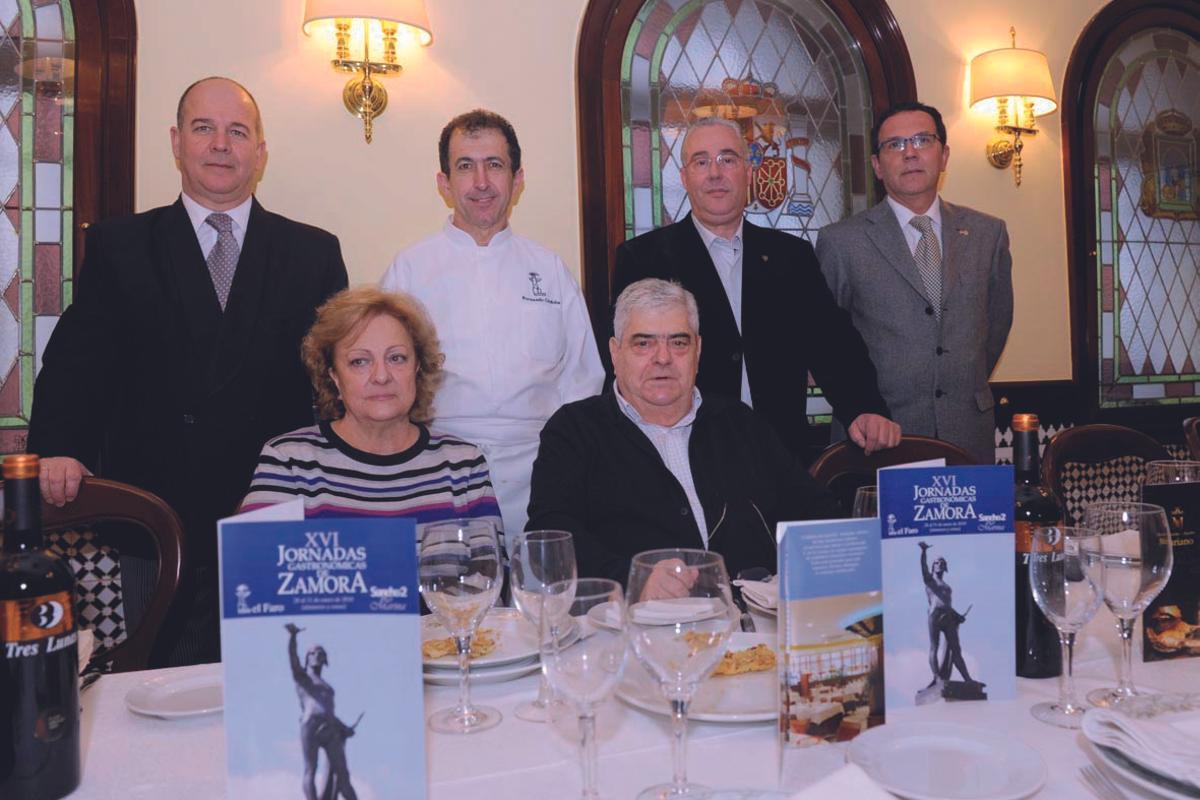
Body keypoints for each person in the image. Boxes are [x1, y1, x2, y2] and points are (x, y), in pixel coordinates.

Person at [28, 76, 348, 664]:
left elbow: (335, 382)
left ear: (261, 151)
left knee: (270, 681)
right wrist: (58, 447)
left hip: (272, 508)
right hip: (155, 513)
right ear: (177, 142)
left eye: (237, 131)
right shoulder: (119, 245)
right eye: (204, 128)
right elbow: (79, 359)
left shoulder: (313, 253)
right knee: (161, 688)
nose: (220, 144)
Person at [612, 117, 900, 460]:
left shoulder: (792, 257)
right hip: (684, 456)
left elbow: (832, 343)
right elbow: (628, 366)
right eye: (701, 162)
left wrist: (864, 407)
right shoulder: (643, 259)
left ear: (749, 172)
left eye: (728, 159)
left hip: (779, 455)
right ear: (684, 176)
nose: (715, 173)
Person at [526, 279, 842, 584]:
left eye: (678, 342)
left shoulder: (741, 424)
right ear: (615, 352)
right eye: (643, 343)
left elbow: (815, 513)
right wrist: (632, 579)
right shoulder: (574, 431)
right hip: (631, 626)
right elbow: (549, 540)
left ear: (698, 350)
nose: (663, 358)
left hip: (751, 626)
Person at [381, 109, 603, 536]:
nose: (481, 182)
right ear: (444, 183)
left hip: (540, 471)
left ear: (517, 179)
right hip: (436, 470)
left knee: (535, 595)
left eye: (494, 165)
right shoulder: (408, 271)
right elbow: (387, 381)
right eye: (466, 166)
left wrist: (565, 461)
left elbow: (582, 379)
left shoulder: (549, 269)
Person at [817, 102, 1013, 464]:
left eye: (923, 140)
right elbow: (829, 341)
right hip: (880, 436)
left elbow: (996, 324)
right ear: (877, 165)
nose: (910, 152)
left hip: (968, 433)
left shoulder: (988, 233)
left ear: (944, 156)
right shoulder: (841, 242)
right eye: (895, 145)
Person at [241, 287, 503, 540]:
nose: (381, 376)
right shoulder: (288, 462)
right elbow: (256, 576)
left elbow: (489, 577)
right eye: (360, 361)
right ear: (334, 377)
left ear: (418, 368)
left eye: (397, 358)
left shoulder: (464, 465)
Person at [285, 624, 359, 800]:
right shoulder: (302, 678)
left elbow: (329, 711)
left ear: (325, 659)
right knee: (311, 768)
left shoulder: (327, 686)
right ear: (307, 658)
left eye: (321, 653)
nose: (317, 655)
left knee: (342, 773)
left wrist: (345, 728)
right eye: (313, 653)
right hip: (310, 725)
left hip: (330, 727)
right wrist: (293, 637)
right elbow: (293, 658)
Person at [918, 541, 977, 688]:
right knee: (934, 647)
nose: (940, 564)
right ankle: (937, 677)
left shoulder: (947, 586)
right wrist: (924, 552)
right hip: (935, 616)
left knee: (956, 649)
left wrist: (958, 616)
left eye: (942, 562)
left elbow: (947, 605)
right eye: (937, 562)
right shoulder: (930, 580)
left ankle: (967, 678)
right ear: (933, 566)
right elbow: (923, 568)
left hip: (948, 617)